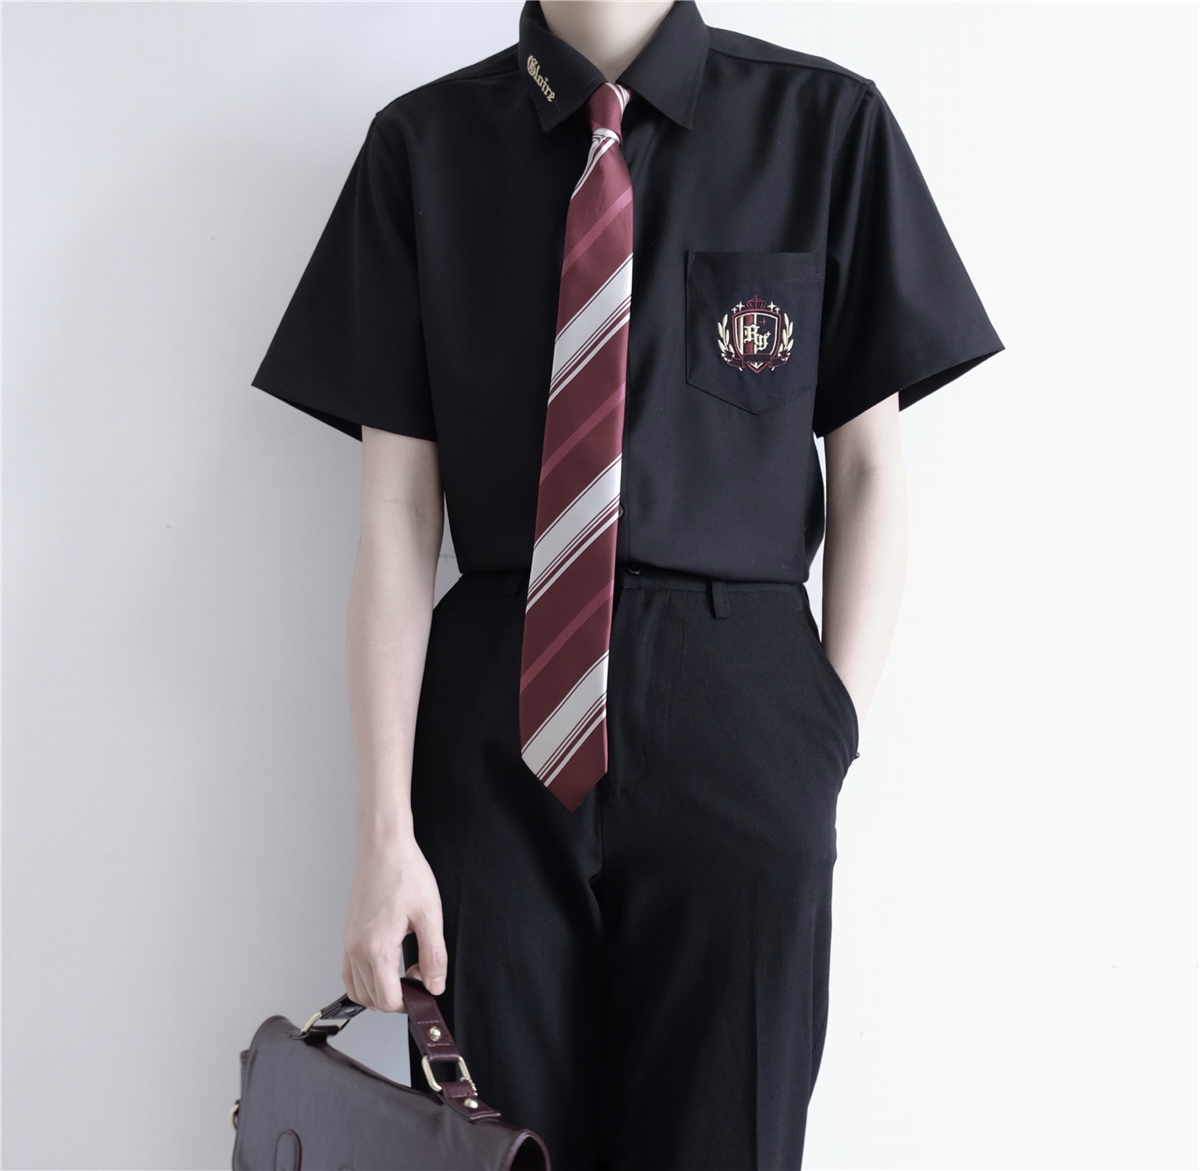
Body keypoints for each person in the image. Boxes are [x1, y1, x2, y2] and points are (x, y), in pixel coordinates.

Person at [252, 2, 1002, 1166]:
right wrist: (383, 830)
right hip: (498, 714)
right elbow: (397, 514)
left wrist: (822, 735)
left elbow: (866, 468)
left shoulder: (823, 126)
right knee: (491, 1142)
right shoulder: (425, 149)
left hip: (742, 707)